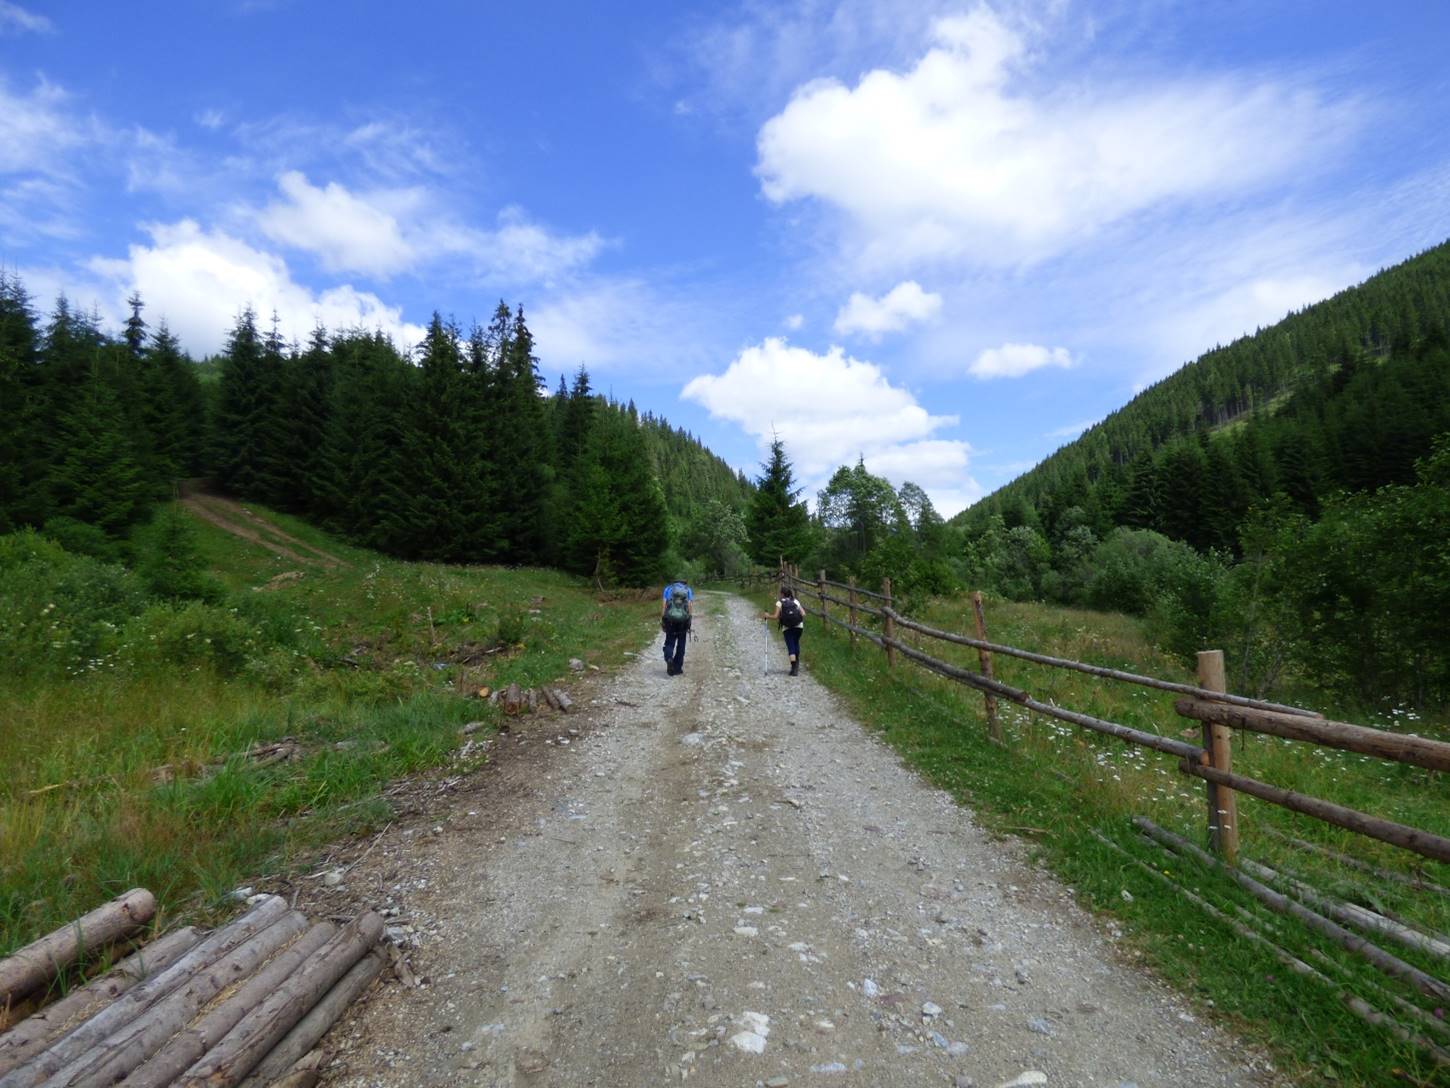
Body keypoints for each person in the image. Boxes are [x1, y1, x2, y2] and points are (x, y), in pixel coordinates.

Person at [763, 585, 804, 675]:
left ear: (782, 594)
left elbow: (775, 616)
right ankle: (797, 664)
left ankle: (794, 668)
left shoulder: (779, 602)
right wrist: (796, 618)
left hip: (787, 627)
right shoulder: (795, 601)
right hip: (799, 626)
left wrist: (767, 616)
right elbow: (803, 613)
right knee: (796, 643)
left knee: (791, 646)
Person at [661, 577, 693, 676]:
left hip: (670, 620)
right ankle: (677, 668)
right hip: (683, 620)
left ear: (674, 582)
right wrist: (689, 618)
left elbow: (664, 605)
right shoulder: (688, 590)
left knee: (669, 642)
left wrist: (663, 618)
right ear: (684, 583)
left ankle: (669, 658)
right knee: (681, 643)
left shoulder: (668, 589)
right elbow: (690, 605)